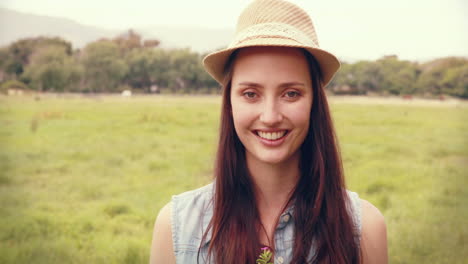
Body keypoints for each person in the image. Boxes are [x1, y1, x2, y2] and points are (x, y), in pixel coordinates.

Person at [150, 0, 387, 263]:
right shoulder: (176, 227)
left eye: (291, 93)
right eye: (250, 94)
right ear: (229, 102)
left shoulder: (364, 229)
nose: (271, 116)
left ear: (314, 103)